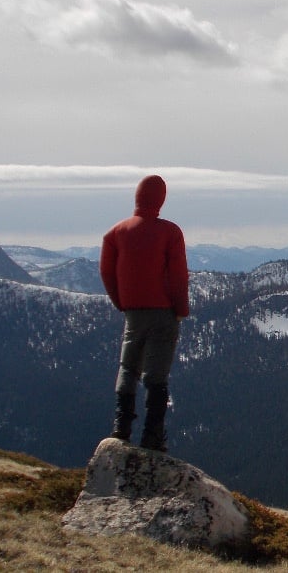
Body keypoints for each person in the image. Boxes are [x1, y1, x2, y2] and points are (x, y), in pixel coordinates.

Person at [99, 174, 189, 452]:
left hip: (133, 313)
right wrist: (180, 309)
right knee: (156, 375)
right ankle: (152, 435)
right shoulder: (170, 232)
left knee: (128, 368)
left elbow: (107, 273)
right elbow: (177, 276)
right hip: (163, 312)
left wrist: (122, 302)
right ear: (160, 199)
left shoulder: (115, 233)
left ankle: (121, 427)